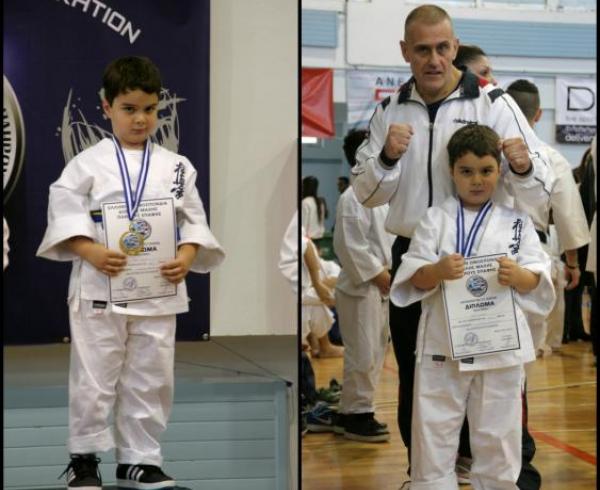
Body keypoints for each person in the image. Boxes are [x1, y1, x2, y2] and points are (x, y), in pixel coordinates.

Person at [350, 5, 554, 486]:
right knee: (418, 374)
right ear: (406, 51)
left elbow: (540, 192)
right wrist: (387, 157)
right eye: (422, 50)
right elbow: (365, 193)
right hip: (419, 257)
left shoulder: (494, 102)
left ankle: (509, 474)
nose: (434, 59)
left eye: (443, 48)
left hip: (488, 259)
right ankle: (425, 473)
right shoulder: (389, 110)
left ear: (455, 46)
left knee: (497, 373)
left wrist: (523, 166)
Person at [36, 56, 225, 490]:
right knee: (94, 376)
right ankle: (85, 460)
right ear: (107, 107)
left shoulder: (177, 166)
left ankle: (140, 458)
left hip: (158, 289)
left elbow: (194, 221)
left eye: (149, 109)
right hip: (100, 288)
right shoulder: (86, 164)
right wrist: (90, 250)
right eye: (129, 109)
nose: (141, 119)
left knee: (151, 376)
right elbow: (64, 214)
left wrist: (187, 255)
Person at [391, 124, 554, 489]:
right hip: (443, 344)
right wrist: (437, 270)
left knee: (499, 433)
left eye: (486, 170)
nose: (477, 180)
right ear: (451, 171)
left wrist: (519, 276)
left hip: (500, 345)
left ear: (500, 171)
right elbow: (412, 277)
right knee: (433, 429)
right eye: (466, 171)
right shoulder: (435, 219)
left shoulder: (517, 221)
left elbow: (538, 278)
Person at [505, 79, 591, 350]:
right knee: (528, 345)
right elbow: (567, 216)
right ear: (539, 114)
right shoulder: (551, 157)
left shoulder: (485, 150)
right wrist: (572, 263)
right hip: (532, 254)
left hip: (486, 252)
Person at [332, 129, 394, 442]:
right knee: (363, 354)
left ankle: (352, 409)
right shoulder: (352, 197)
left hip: (382, 286)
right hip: (362, 287)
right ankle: (358, 414)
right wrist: (379, 274)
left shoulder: (382, 195)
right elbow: (349, 245)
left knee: (375, 352)